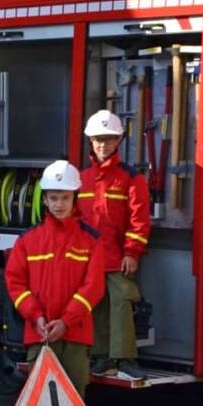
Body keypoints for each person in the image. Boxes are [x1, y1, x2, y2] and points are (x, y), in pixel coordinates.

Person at [3, 160, 106, 406]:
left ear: (75, 198)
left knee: (72, 400)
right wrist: (37, 317)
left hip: (74, 334)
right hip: (41, 332)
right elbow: (15, 283)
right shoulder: (28, 241)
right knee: (41, 404)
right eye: (53, 198)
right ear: (44, 200)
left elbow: (94, 287)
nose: (59, 204)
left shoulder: (91, 240)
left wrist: (67, 319)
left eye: (64, 197)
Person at [79, 109, 151, 380]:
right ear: (90, 140)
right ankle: (102, 356)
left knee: (121, 301)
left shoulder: (130, 178)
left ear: (119, 141)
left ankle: (124, 358)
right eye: (98, 139)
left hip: (118, 256)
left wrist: (132, 253)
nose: (102, 144)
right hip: (91, 258)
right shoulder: (83, 178)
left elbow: (139, 219)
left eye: (108, 139)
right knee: (96, 306)